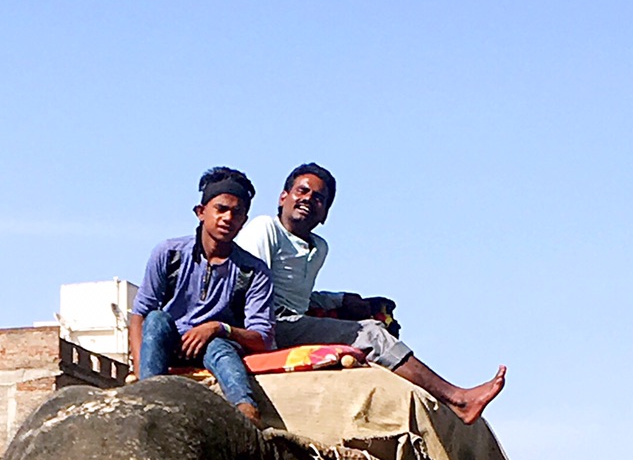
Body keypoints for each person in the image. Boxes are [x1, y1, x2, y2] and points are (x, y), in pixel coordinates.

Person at [235, 165, 507, 424]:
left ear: (325, 214)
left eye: (319, 198)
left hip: (293, 318)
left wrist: (343, 300)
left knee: (370, 322)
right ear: (283, 197)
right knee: (370, 333)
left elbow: (298, 296)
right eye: (302, 191)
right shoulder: (265, 229)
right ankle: (457, 399)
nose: (308, 199)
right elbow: (249, 287)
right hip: (266, 324)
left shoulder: (319, 248)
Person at [130, 168, 276, 423]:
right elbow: (140, 315)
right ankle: (148, 397)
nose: (228, 218)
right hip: (168, 341)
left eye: (236, 212)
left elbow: (262, 338)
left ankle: (246, 411)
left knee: (220, 347)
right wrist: (139, 369)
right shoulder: (169, 253)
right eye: (221, 209)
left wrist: (218, 328)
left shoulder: (253, 270)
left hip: (214, 348)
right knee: (156, 319)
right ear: (201, 212)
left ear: (244, 220)